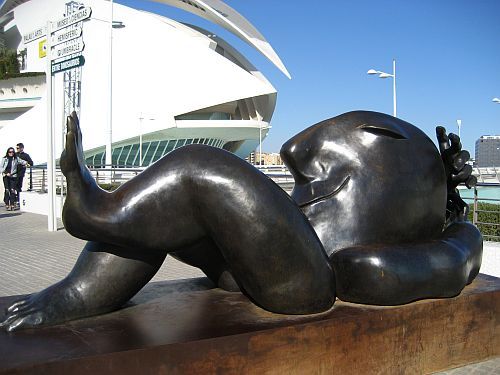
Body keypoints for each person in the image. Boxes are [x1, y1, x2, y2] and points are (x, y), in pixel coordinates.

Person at [15, 143, 33, 208]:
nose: (16, 149)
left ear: (22, 148)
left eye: (18, 148)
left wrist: (25, 165)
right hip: (13, 173)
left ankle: (18, 200)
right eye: (16, 148)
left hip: (20, 173)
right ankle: (14, 200)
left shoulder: (26, 155)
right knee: (13, 187)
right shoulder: (15, 154)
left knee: (18, 186)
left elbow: (31, 163)